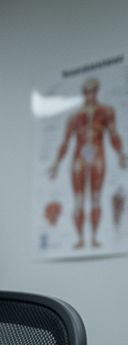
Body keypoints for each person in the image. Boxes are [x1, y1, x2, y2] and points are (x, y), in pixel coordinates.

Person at [48, 76, 127, 249]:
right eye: (87, 91)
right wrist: (56, 164)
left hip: (98, 155)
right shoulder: (75, 116)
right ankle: (80, 238)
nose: (90, 94)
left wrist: (121, 154)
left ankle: (95, 237)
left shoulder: (106, 111)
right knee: (78, 200)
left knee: (96, 198)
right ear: (84, 93)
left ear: (97, 91)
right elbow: (66, 141)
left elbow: (113, 134)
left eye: (93, 90)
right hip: (79, 158)